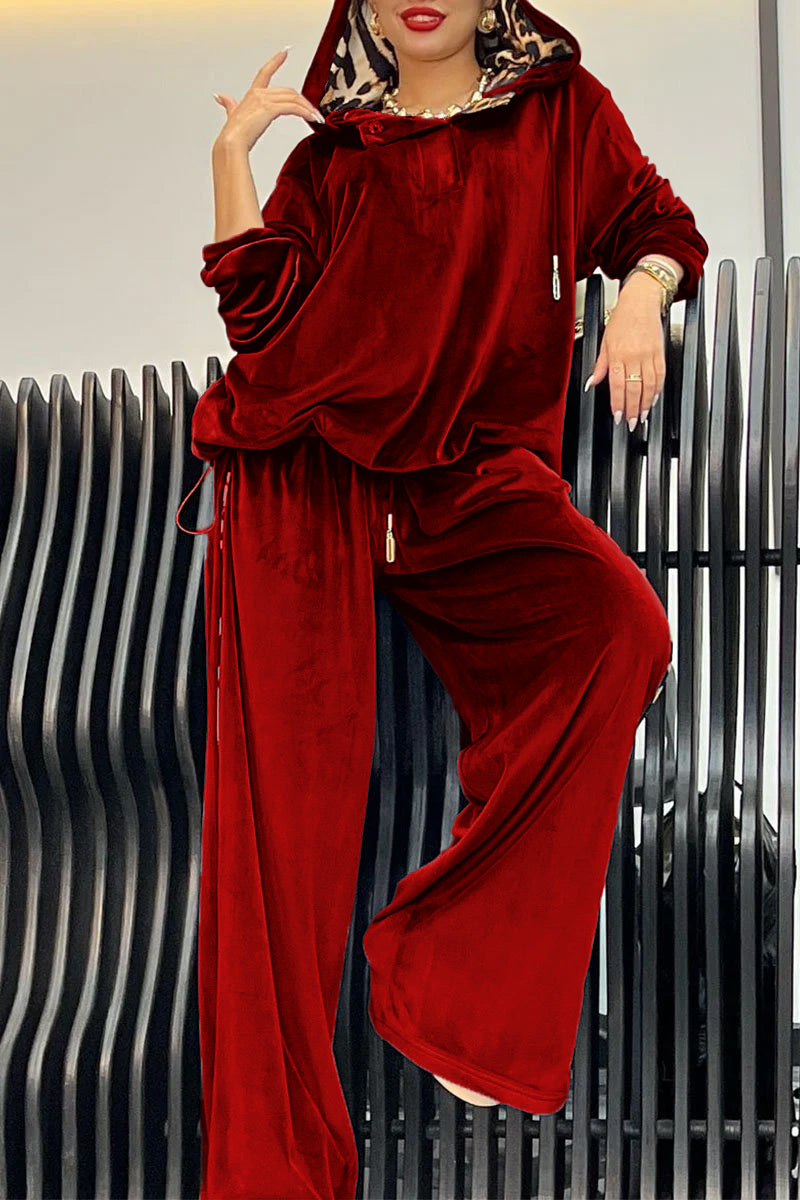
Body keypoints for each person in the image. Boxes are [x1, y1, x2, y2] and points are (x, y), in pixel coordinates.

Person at [176, 1, 709, 1196]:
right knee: (276, 835)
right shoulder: (332, 157)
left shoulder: (559, 114)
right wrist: (232, 158)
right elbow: (257, 317)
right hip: (305, 477)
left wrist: (639, 294)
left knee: (617, 629)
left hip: (471, 481)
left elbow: (655, 223)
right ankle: (273, 1179)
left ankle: (453, 981)